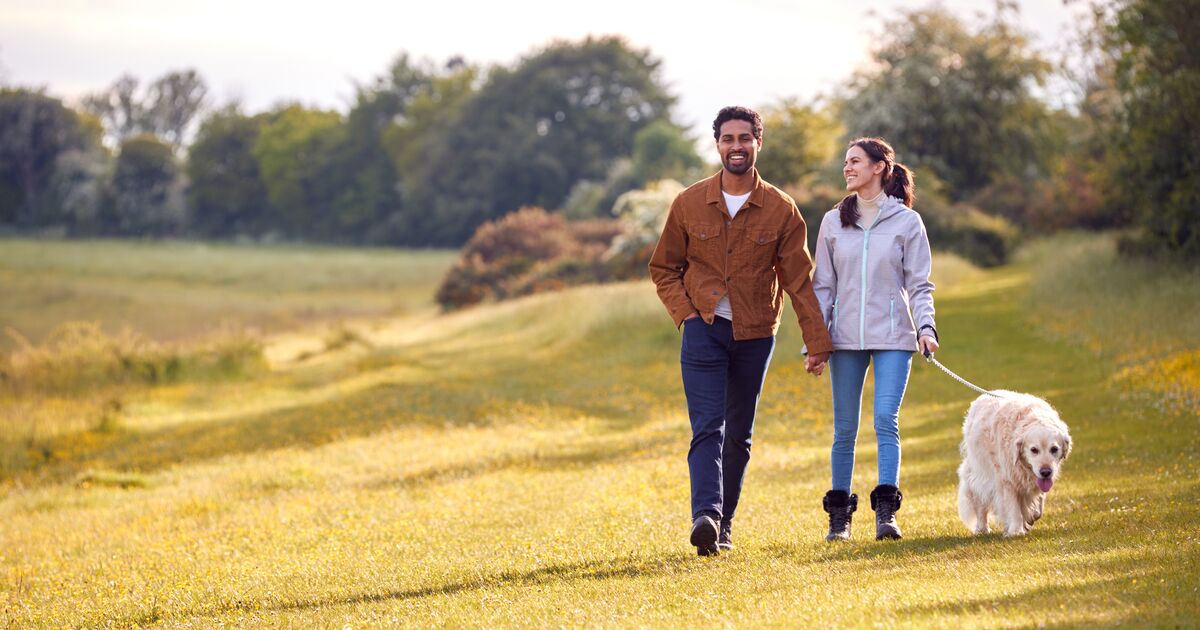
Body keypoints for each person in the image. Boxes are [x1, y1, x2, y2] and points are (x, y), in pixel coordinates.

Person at [649, 106, 833, 556]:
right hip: (703, 329)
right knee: (707, 426)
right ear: (717, 145)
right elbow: (663, 268)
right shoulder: (689, 203)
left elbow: (798, 281)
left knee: (739, 433)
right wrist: (687, 316)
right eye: (728, 139)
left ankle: (724, 523)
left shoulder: (781, 209)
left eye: (744, 138)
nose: (736, 146)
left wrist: (816, 341)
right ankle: (706, 516)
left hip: (755, 335)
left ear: (758, 143)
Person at [812, 137, 938, 541]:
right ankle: (839, 519)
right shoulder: (834, 221)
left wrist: (926, 328)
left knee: (886, 419)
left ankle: (886, 514)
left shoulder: (906, 222)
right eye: (845, 162)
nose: (847, 168)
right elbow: (822, 288)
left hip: (894, 336)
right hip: (844, 338)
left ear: (880, 167)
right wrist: (814, 342)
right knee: (844, 429)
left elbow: (919, 284)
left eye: (855, 162)